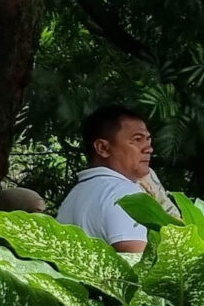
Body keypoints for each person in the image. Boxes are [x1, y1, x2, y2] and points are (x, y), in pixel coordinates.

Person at [57, 105, 157, 253]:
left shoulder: (73, 197)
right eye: (137, 139)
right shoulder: (125, 195)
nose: (149, 148)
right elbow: (138, 266)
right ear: (103, 148)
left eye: (148, 140)